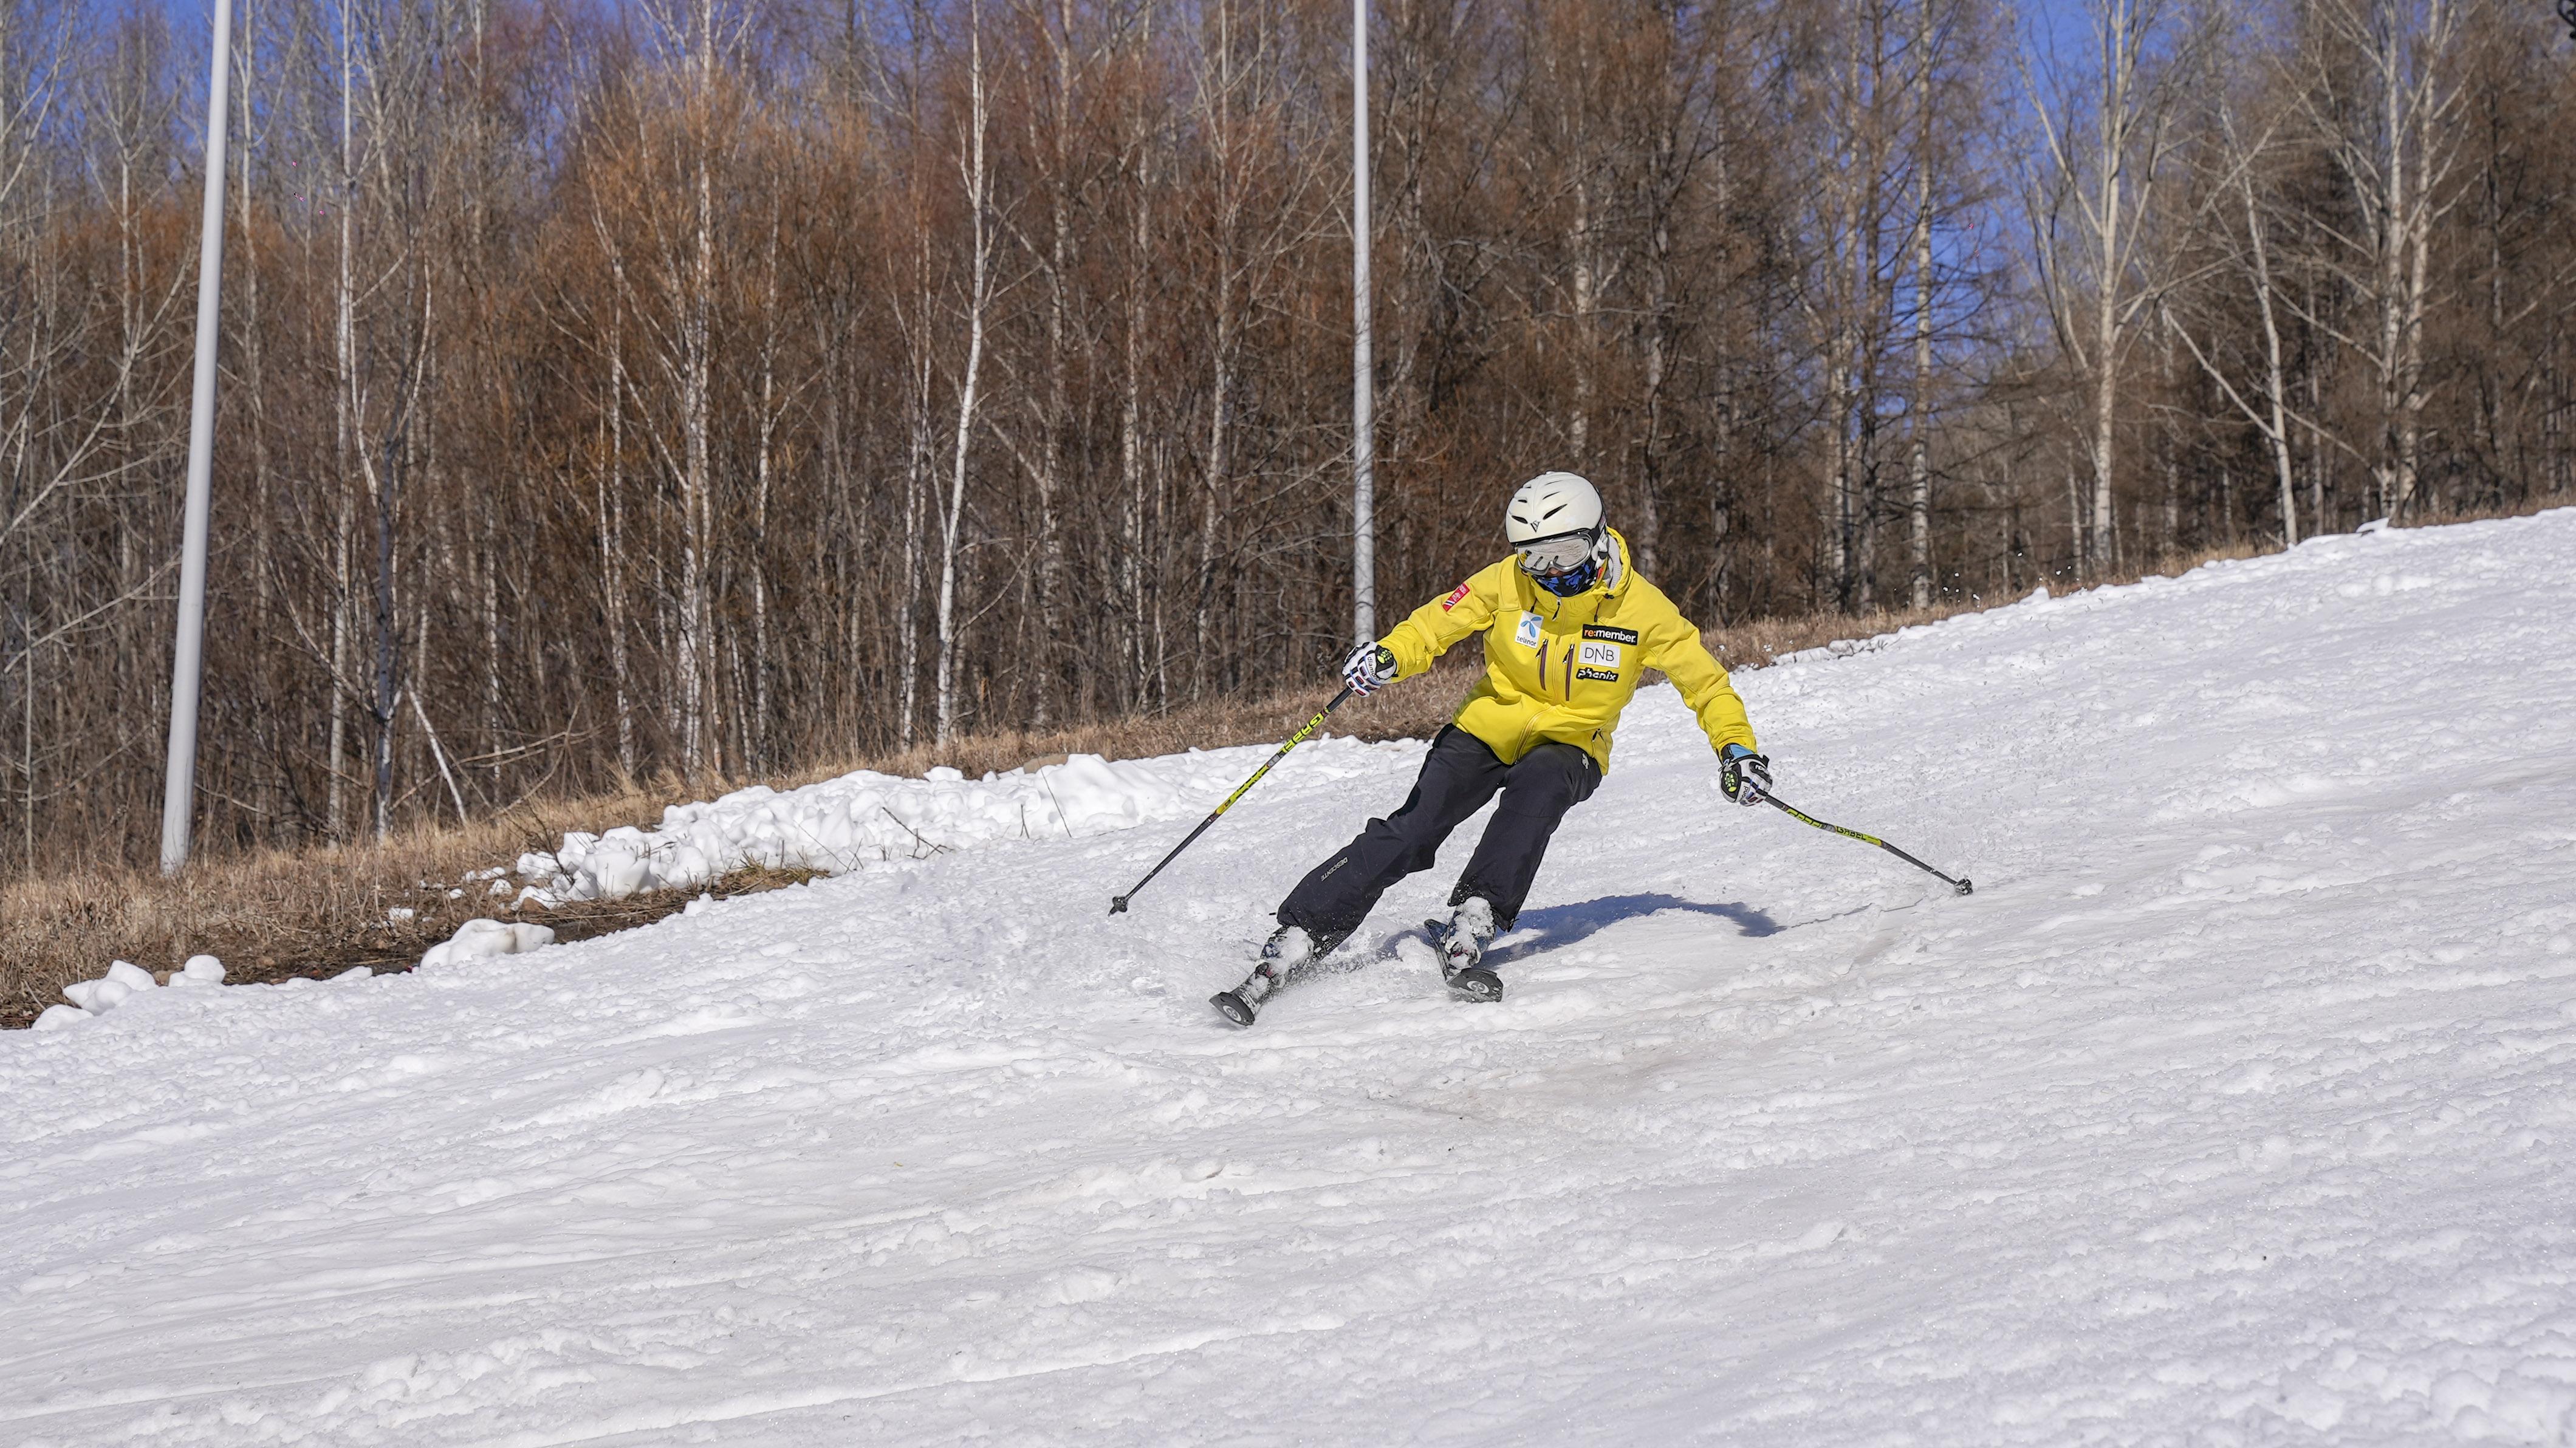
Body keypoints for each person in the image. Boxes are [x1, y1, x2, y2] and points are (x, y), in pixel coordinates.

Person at [1227, 471, 1772, 1016]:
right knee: (1415, 829)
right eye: (1535, 557)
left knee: (1535, 795)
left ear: (1599, 536)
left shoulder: (1643, 611)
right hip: (1486, 728)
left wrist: (1736, 749)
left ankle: (1478, 912)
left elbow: (1707, 684)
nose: (1552, 570)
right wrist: (1390, 656)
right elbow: (1433, 626)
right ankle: (1300, 934)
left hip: (1573, 742)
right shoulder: (1505, 583)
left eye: (1566, 550)